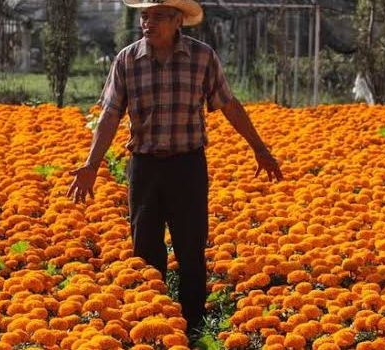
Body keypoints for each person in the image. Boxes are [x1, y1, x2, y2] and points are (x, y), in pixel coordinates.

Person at [66, 0, 283, 340]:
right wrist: (91, 164)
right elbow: (110, 114)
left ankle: (193, 330)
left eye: (157, 17)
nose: (147, 23)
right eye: (144, 16)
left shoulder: (201, 57)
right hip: (145, 166)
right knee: (145, 251)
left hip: (188, 166)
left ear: (178, 21)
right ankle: (153, 325)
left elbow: (228, 104)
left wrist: (259, 147)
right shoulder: (127, 59)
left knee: (191, 249)